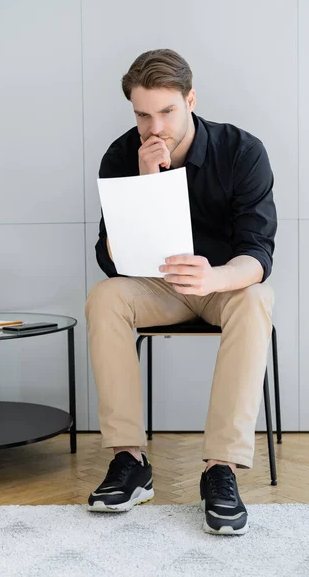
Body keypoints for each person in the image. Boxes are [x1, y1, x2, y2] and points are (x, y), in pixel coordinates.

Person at [85, 49, 277, 535]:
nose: (156, 126)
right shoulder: (121, 154)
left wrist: (214, 277)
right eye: (143, 114)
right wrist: (148, 182)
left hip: (222, 286)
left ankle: (221, 469)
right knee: (104, 297)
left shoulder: (242, 151)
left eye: (167, 111)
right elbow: (111, 260)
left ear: (190, 99)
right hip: (158, 289)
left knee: (256, 301)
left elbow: (257, 255)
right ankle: (130, 460)